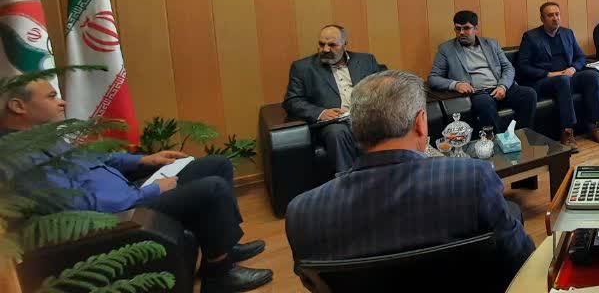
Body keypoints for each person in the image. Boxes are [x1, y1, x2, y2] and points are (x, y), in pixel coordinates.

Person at [1, 78, 272, 293]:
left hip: (131, 192)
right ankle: (219, 275)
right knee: (213, 188)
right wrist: (152, 191)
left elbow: (97, 158)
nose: (62, 102)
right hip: (122, 213)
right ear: (18, 106)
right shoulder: (18, 159)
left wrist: (144, 160)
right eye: (51, 96)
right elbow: (75, 206)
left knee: (217, 164)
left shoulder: (41, 137)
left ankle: (225, 247)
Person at [286, 70, 534, 286]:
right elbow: (520, 258)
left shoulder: (302, 212)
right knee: (511, 211)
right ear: (420, 123)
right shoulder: (473, 178)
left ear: (355, 127)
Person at [283, 24, 386, 172]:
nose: (325, 49)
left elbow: (384, 85)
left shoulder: (366, 60)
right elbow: (292, 101)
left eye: (332, 45)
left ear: (345, 44)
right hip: (334, 123)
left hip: (365, 116)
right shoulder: (302, 68)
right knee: (337, 132)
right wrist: (321, 113)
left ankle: (391, 176)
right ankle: (347, 181)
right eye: (321, 44)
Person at [516, 2, 599, 152]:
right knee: (562, 80)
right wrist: (549, 74)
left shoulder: (567, 33)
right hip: (544, 81)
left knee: (592, 75)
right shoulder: (531, 37)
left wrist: (573, 68)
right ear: (542, 18)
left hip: (567, 76)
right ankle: (567, 131)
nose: (555, 18)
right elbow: (523, 66)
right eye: (550, 15)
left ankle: (595, 126)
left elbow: (581, 57)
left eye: (557, 14)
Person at [429, 10, 538, 130]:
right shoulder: (446, 49)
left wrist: (503, 86)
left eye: (466, 28)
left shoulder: (491, 44)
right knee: (485, 104)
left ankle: (522, 135)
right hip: (478, 93)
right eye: (458, 29)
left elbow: (508, 68)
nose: (461, 32)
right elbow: (433, 78)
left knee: (529, 94)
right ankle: (496, 140)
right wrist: (456, 85)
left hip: (500, 87)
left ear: (476, 29)